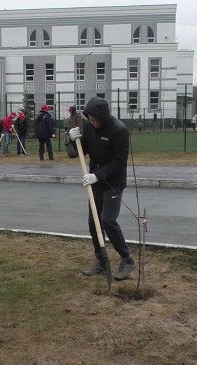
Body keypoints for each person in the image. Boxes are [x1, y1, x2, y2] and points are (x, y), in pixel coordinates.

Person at [68, 96, 136, 281]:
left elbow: (119, 164)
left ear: (103, 117)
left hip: (113, 181)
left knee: (107, 220)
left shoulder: (119, 130)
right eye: (90, 119)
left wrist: (98, 175)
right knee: (93, 222)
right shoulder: (89, 126)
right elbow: (77, 152)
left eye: (96, 120)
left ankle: (127, 259)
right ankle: (102, 260)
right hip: (95, 181)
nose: (93, 123)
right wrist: (73, 140)